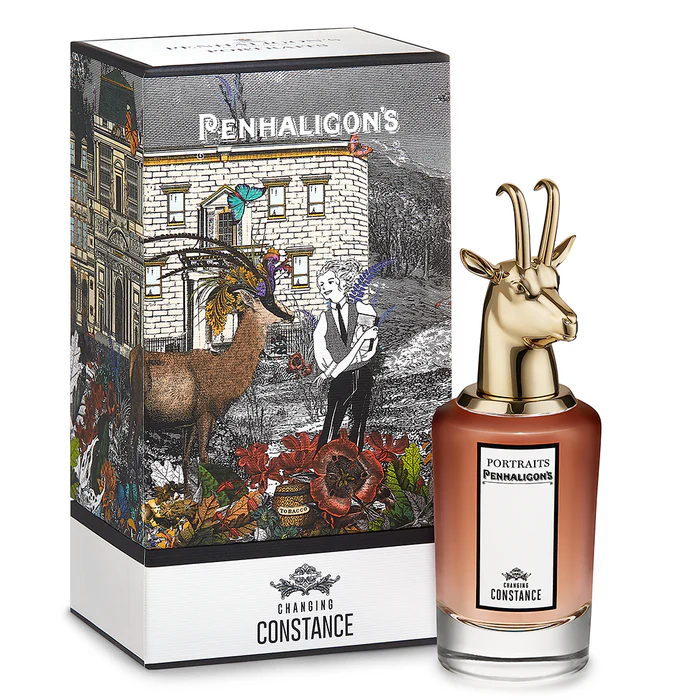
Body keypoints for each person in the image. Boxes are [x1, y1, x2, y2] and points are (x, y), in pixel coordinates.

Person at [313, 259, 379, 451]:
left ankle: (355, 460)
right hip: (341, 379)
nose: (324, 287)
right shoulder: (324, 319)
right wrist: (333, 367)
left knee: (358, 424)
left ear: (343, 282)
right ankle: (322, 462)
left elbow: (367, 352)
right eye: (321, 284)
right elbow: (323, 357)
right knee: (331, 424)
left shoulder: (363, 310)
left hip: (362, 375)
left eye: (330, 281)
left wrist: (360, 349)